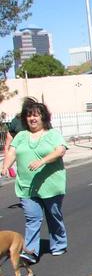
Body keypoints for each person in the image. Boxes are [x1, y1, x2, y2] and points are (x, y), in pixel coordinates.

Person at [0, 98, 68, 263]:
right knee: (32, 219)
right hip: (27, 187)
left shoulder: (53, 134)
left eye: (36, 115)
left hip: (50, 185)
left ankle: (59, 244)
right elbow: (12, 152)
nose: (33, 118)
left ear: (43, 117)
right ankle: (30, 251)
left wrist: (42, 161)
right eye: (29, 116)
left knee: (53, 216)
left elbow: (60, 151)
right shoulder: (21, 136)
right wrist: (4, 166)